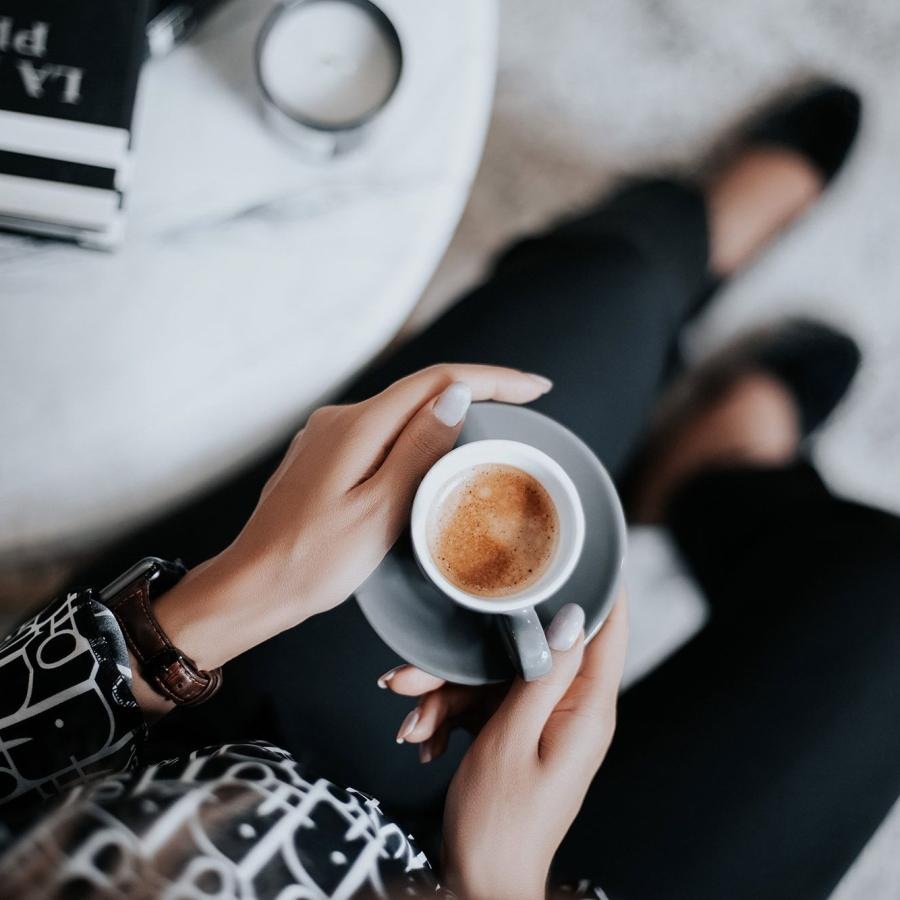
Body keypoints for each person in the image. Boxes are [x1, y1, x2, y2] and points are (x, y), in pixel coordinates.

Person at [2, 81, 895, 900]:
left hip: (179, 747)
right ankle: (714, 474)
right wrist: (496, 881)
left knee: (599, 300)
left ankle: (682, 254)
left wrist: (226, 603)